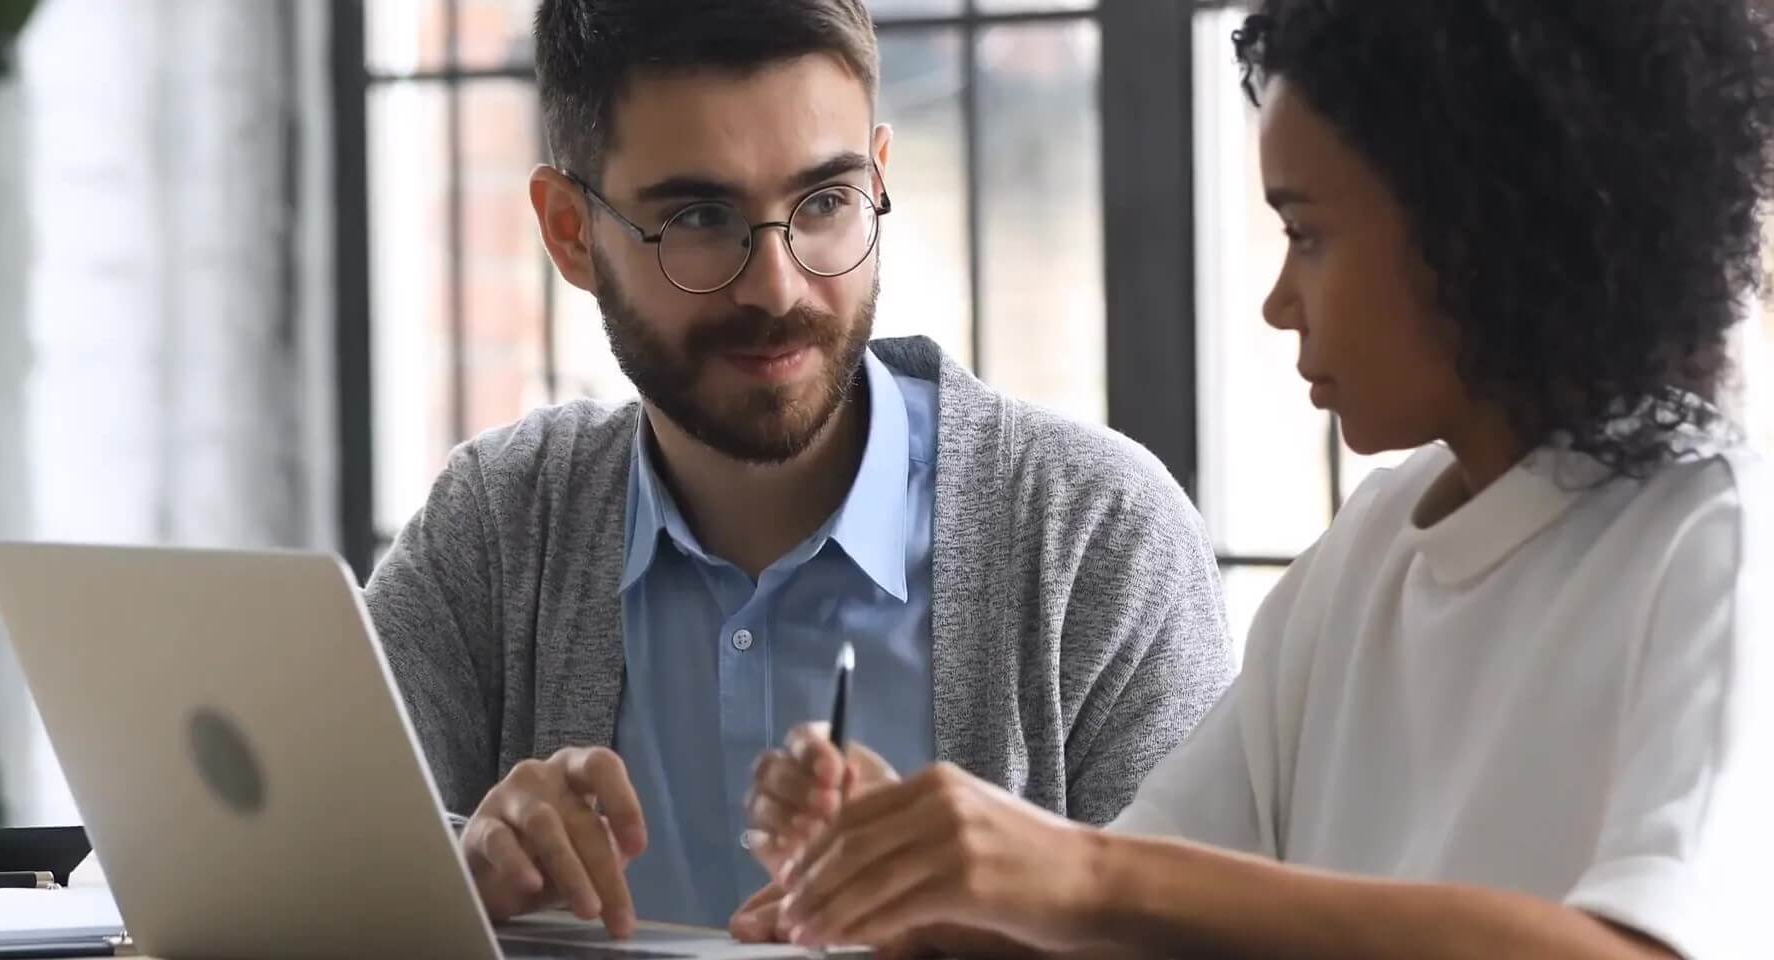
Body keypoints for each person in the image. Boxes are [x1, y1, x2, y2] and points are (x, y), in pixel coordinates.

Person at [741, 0, 1774, 957]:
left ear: (1488, 230)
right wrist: (923, 887)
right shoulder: (1372, 549)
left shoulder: (1716, 548)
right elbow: (1140, 921)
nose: (1280, 302)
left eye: (1307, 233)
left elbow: (1642, 951)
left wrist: (1076, 872)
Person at [363, 0, 1236, 937]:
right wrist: (461, 867)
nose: (776, 286)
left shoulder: (1097, 542)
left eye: (824, 203)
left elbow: (1210, 939)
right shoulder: (499, 528)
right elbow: (311, 859)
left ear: (880, 180)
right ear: (570, 231)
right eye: (700, 218)